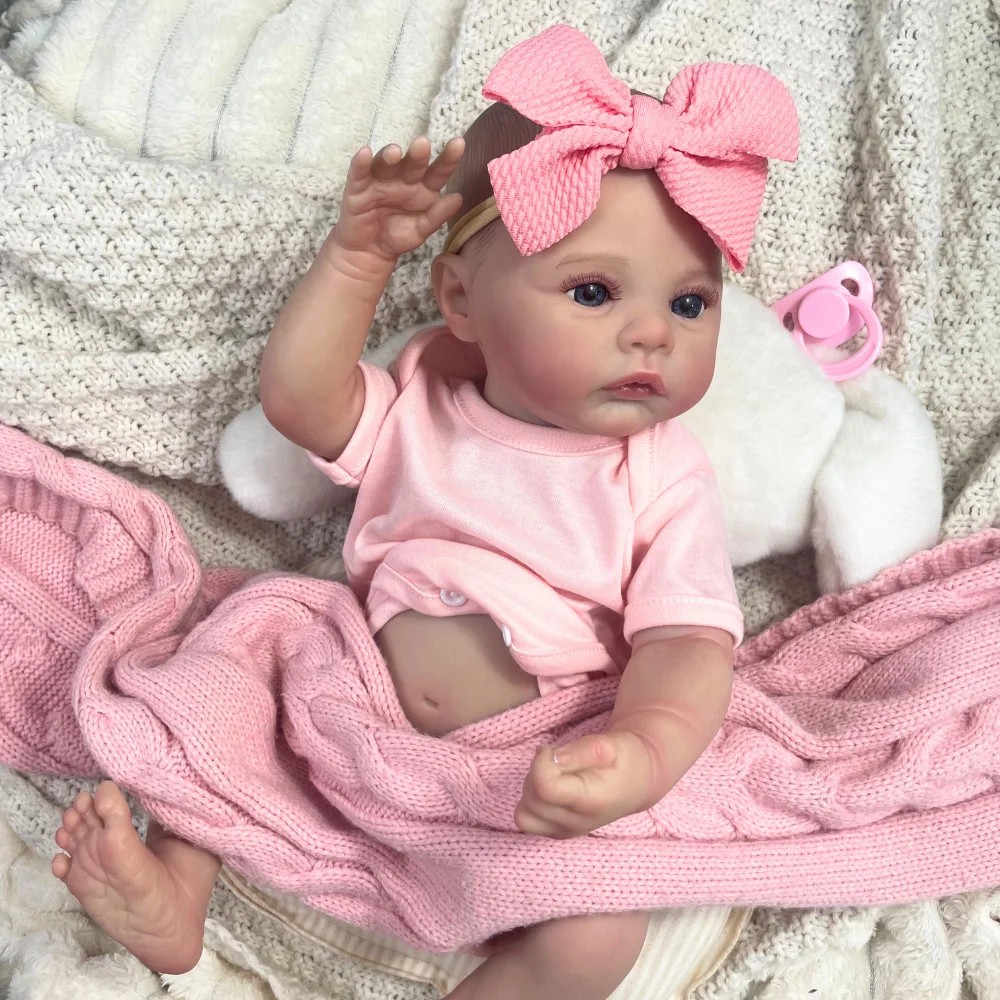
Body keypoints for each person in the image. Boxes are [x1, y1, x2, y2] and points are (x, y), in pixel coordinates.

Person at [50, 25, 797, 1000]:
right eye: (594, 291)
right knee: (229, 667)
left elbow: (687, 639)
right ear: (461, 299)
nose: (651, 331)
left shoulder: (659, 471)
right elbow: (301, 399)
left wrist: (644, 750)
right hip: (347, 703)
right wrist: (355, 264)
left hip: (523, 767)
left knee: (598, 933)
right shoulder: (420, 400)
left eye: (690, 304)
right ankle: (176, 883)